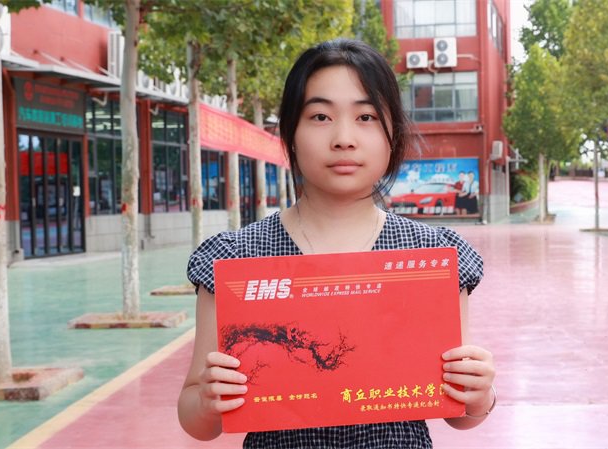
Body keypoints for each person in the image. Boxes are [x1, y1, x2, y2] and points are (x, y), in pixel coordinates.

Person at [179, 39, 495, 448]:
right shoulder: (236, 259)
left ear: (393, 135)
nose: (344, 138)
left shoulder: (431, 257)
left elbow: (459, 414)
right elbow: (196, 419)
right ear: (291, 133)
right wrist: (208, 400)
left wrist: (478, 395)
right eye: (320, 116)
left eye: (366, 116)